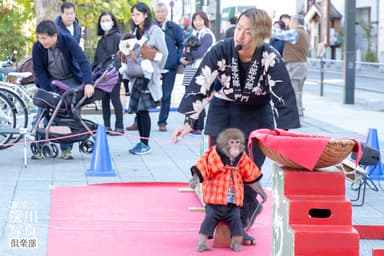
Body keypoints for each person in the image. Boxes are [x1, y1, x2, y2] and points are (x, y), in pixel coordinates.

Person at [173, 8, 300, 244]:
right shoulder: (221, 49)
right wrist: (189, 122)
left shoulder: (269, 56)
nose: (239, 35)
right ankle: (215, 220)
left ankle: (240, 224)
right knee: (217, 165)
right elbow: (202, 83)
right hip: (223, 108)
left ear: (261, 35)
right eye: (239, 27)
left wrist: (284, 138)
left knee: (249, 169)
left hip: (257, 111)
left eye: (248, 31)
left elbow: (283, 96)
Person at [31, 20, 103, 160]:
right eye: (39, 38)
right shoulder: (37, 47)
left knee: (69, 110)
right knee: (44, 107)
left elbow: (83, 61)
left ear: (54, 36)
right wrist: (48, 92)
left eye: (44, 38)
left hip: (69, 78)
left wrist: (88, 82)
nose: (42, 41)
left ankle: (66, 148)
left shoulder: (68, 41)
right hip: (49, 80)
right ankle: (40, 145)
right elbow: (39, 71)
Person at [190, 128, 267, 252]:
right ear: (224, 143)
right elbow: (203, 167)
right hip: (215, 200)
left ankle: (236, 243)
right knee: (209, 219)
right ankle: (202, 243)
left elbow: (250, 175)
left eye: (238, 142)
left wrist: (261, 192)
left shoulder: (242, 158)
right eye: (232, 142)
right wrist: (195, 179)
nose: (236, 146)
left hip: (233, 203)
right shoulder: (214, 154)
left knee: (237, 221)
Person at [126, 2, 168, 155]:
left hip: (148, 77)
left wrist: (157, 70)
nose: (135, 17)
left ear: (145, 14)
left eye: (138, 14)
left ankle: (145, 143)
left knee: (143, 110)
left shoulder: (154, 31)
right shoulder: (134, 31)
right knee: (138, 110)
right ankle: (142, 142)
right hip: (136, 76)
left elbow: (164, 53)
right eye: (133, 14)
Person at [180, 11, 216, 135]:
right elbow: (185, 49)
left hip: (202, 69)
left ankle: (198, 126)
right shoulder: (194, 33)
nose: (197, 22)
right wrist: (183, 57)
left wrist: (188, 54)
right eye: (195, 20)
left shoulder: (207, 35)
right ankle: (190, 125)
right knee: (189, 96)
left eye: (200, 20)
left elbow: (200, 52)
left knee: (198, 97)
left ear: (205, 21)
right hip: (191, 68)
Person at [154, 2, 184, 132]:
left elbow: (181, 44)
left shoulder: (174, 27)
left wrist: (177, 58)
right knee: (147, 93)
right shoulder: (151, 27)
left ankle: (162, 121)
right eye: (158, 12)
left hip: (170, 65)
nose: (160, 14)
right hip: (153, 65)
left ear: (166, 13)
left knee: (166, 95)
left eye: (162, 12)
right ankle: (138, 121)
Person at [93, 11, 124, 135]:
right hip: (101, 74)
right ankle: (107, 126)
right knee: (104, 101)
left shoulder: (117, 37)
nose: (105, 23)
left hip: (113, 73)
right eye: (102, 20)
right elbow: (97, 59)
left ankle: (119, 126)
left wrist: (114, 69)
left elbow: (121, 55)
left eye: (107, 20)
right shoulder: (101, 40)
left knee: (115, 100)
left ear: (113, 22)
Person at [283, 15, 310, 117]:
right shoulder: (305, 33)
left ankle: (297, 111)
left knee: (294, 90)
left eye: (290, 22)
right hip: (301, 64)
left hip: (295, 64)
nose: (289, 24)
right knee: (298, 90)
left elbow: (278, 34)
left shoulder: (296, 33)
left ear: (295, 22)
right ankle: (299, 110)